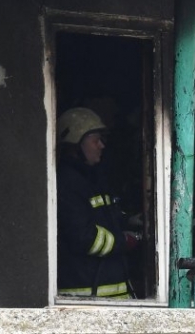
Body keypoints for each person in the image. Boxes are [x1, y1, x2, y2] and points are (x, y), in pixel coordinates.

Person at [55, 107, 140, 299]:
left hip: (109, 296)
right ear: (76, 143)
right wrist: (124, 241)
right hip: (85, 298)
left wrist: (130, 222)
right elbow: (84, 236)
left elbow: (106, 220)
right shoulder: (66, 183)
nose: (101, 145)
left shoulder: (92, 180)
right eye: (95, 140)